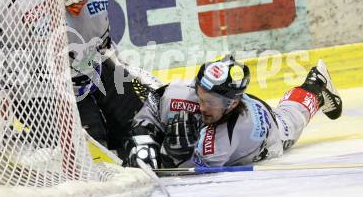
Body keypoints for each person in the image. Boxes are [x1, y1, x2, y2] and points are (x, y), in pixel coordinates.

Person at [124, 55, 342, 169]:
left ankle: (318, 86)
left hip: (270, 132)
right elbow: (153, 106)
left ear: (231, 104)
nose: (201, 106)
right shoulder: (192, 94)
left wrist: (171, 154)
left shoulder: (231, 134)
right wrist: (145, 138)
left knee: (292, 116)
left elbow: (188, 171)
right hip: (241, 106)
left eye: (210, 102)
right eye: (200, 95)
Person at [58, 0, 161, 157]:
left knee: (138, 128)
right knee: (95, 147)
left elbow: (102, 41)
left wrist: (125, 68)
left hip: (94, 66)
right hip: (56, 86)